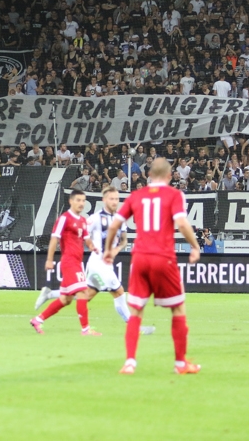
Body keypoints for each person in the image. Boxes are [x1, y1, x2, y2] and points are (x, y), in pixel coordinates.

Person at [104, 159, 201, 374]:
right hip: (163, 257)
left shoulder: (136, 196)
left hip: (139, 258)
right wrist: (195, 246)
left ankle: (130, 362)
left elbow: (115, 224)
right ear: (169, 176)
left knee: (136, 312)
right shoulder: (174, 195)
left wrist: (109, 250)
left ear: (149, 175)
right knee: (177, 308)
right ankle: (180, 364)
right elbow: (182, 223)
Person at [33, 186, 155, 335]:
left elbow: (123, 241)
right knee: (119, 292)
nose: (115, 201)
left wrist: (115, 250)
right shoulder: (94, 218)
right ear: (104, 200)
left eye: (117, 199)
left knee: (83, 296)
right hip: (97, 263)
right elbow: (80, 234)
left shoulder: (120, 219)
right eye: (111, 198)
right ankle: (133, 327)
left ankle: (50, 296)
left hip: (106, 264)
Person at [30, 189, 100, 335]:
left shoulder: (82, 221)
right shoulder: (65, 218)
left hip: (77, 262)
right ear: (71, 201)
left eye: (83, 200)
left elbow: (86, 238)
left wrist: (93, 246)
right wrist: (49, 260)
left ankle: (38, 320)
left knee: (66, 299)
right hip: (69, 261)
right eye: (78, 200)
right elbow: (54, 238)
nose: (81, 203)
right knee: (82, 293)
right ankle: (85, 329)